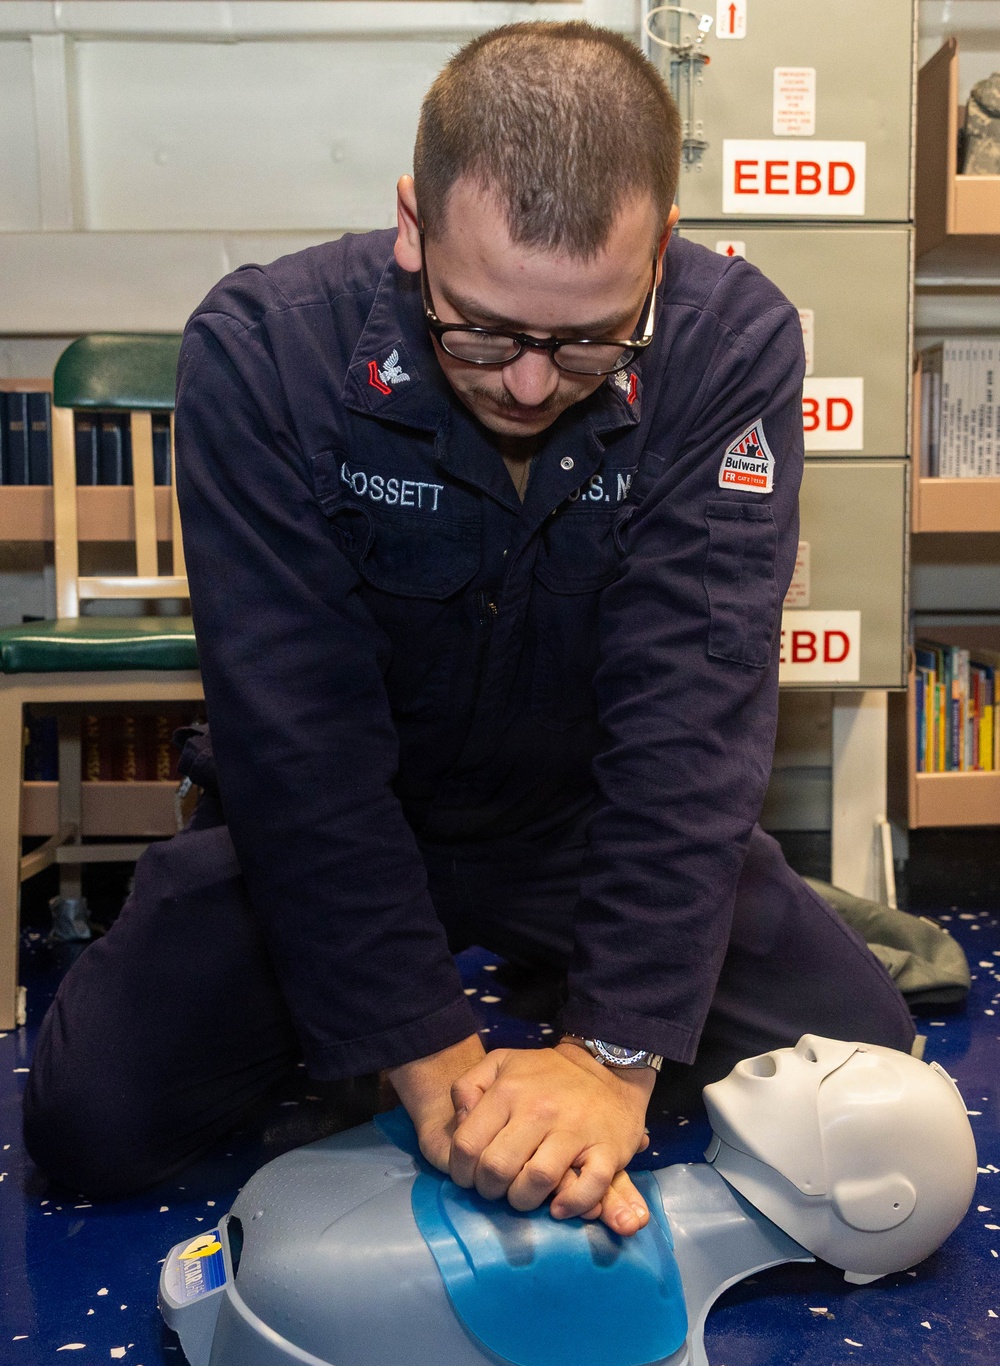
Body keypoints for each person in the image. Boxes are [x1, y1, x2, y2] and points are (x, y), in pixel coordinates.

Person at [24, 21, 916, 1236]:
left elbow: (691, 716)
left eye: (592, 337)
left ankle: (562, 982)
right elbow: (302, 746)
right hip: (332, 827)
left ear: (658, 249)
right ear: (412, 224)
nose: (532, 384)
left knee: (871, 1054)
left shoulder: (728, 343)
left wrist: (609, 1056)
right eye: (483, 330)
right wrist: (431, 1067)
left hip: (577, 827)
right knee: (91, 1122)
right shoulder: (262, 353)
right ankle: (387, 1015)